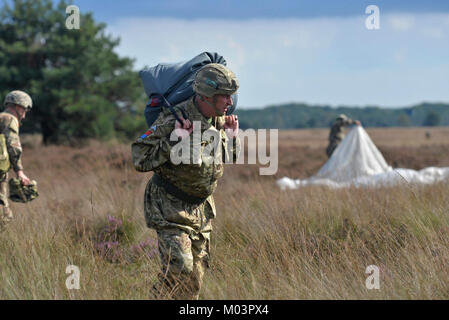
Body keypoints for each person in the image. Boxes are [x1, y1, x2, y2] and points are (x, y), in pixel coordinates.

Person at [131, 63, 240, 300]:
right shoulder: (174, 118)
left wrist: (232, 138)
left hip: (202, 210)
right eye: (225, 97)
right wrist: (175, 139)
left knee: (193, 283)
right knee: (180, 269)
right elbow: (140, 158)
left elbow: (228, 157)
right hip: (170, 207)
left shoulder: (219, 120)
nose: (230, 103)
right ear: (207, 96)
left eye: (231, 97)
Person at [0, 90, 32, 227]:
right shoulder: (9, 119)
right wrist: (19, 171)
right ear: (18, 106)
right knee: (4, 217)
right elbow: (13, 146)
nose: (24, 116)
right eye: (24, 110)